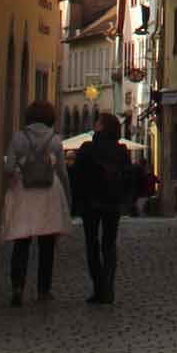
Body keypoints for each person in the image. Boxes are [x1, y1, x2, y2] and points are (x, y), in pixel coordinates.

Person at [1, 98, 71, 304]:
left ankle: (17, 287)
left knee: (21, 243)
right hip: (49, 193)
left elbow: (8, 168)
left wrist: (16, 177)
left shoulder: (18, 138)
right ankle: (43, 290)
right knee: (47, 244)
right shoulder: (56, 141)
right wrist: (67, 197)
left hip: (24, 192)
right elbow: (62, 172)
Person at [70, 111, 137, 305]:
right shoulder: (122, 151)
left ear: (102, 126)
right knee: (109, 244)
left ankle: (98, 286)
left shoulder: (87, 148)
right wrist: (124, 199)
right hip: (113, 203)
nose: (94, 124)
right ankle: (108, 287)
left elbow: (77, 176)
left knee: (92, 244)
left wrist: (77, 202)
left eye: (97, 122)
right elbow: (128, 178)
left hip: (90, 203)